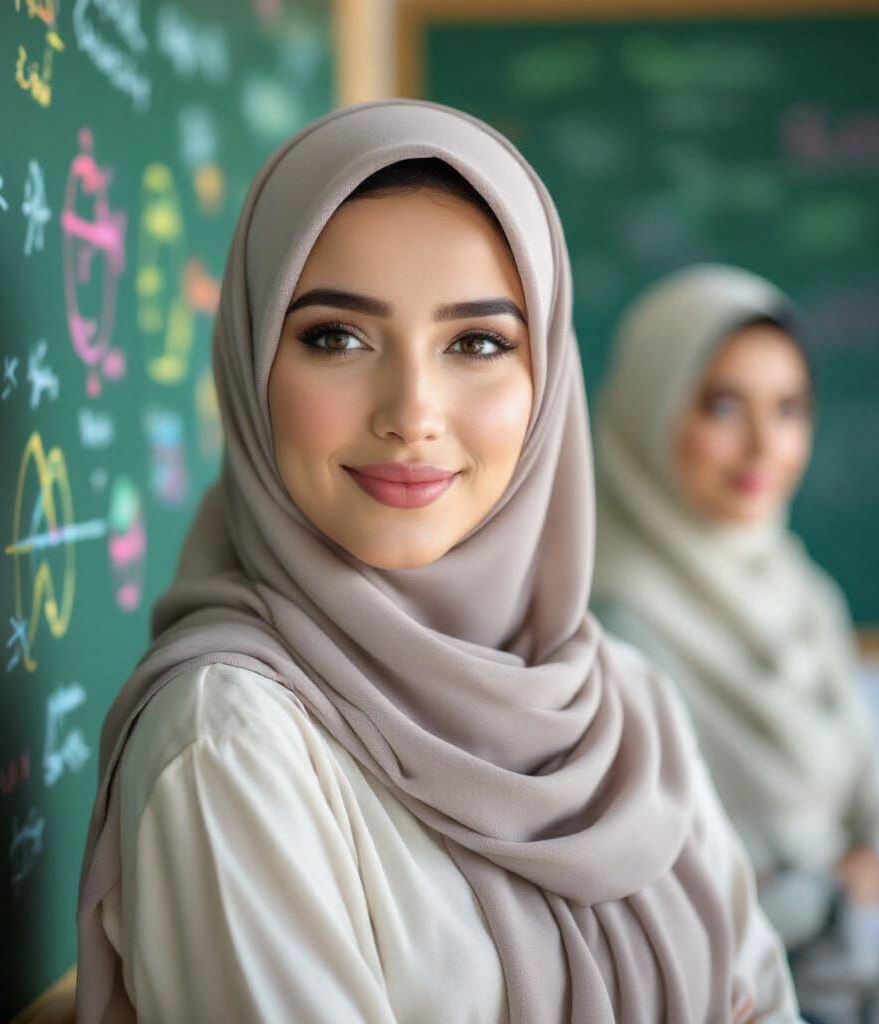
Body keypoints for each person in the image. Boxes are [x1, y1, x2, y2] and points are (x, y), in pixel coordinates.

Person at [76, 102, 799, 1024]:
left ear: (547, 383)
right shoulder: (230, 741)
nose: (412, 412)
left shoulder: (625, 708)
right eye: (336, 337)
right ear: (251, 365)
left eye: (477, 343)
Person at [592, 263, 879, 1023]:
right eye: (722, 406)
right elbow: (664, 898)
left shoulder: (802, 589)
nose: (763, 446)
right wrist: (840, 890)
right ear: (651, 409)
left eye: (788, 409)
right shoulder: (604, 626)